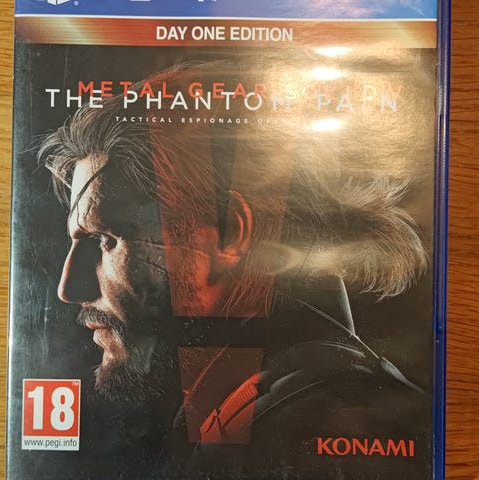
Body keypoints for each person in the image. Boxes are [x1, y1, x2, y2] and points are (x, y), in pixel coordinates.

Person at [38, 62, 430, 479]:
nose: (68, 287)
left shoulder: (316, 419)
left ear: (228, 234)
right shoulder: (250, 405)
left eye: (105, 239)